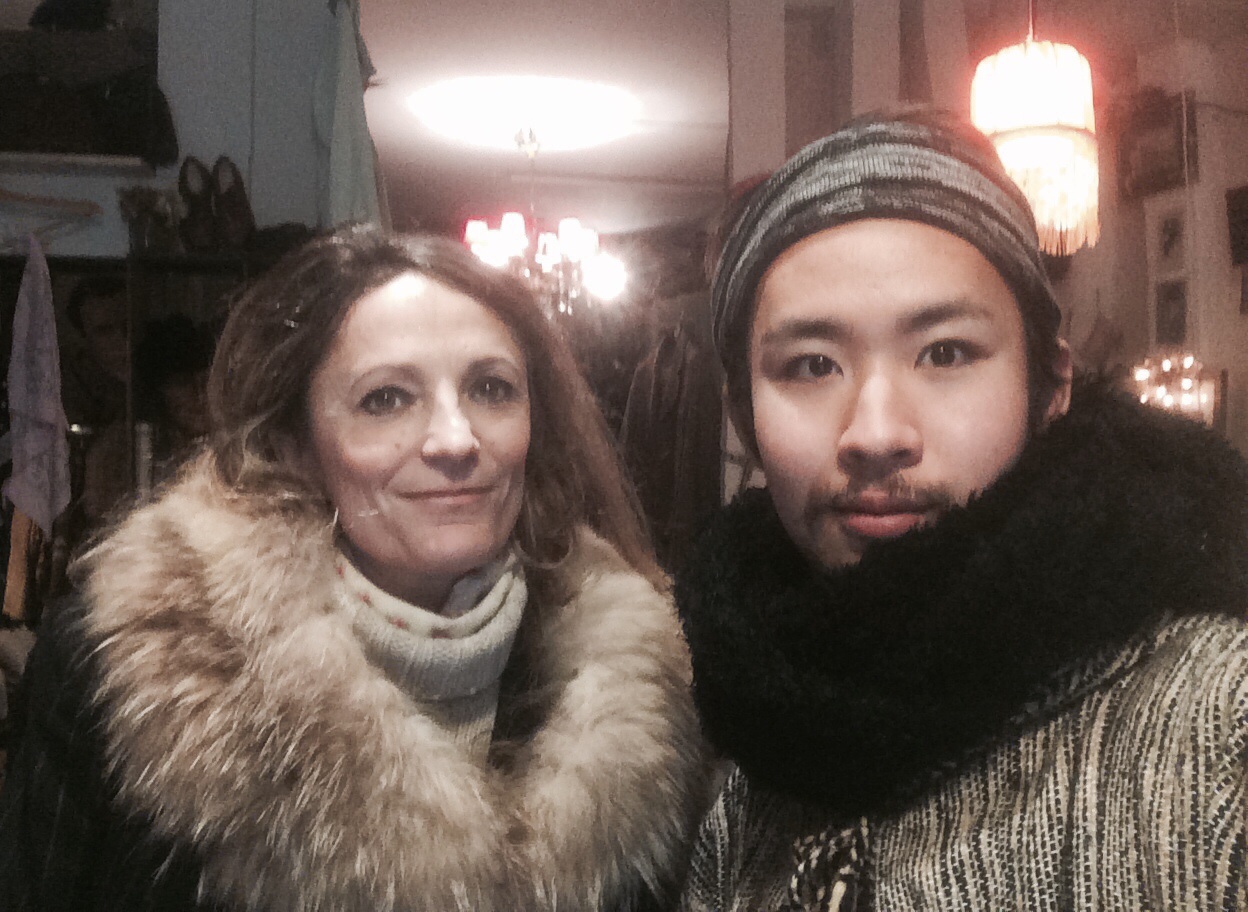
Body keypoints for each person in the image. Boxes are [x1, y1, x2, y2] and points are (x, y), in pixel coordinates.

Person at [0, 226, 707, 911]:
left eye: (492, 389)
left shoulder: (639, 693)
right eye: (386, 399)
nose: (456, 439)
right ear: (296, 445)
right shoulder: (136, 668)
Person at [677, 109, 1248, 911]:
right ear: (744, 415)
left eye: (945, 353)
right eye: (811, 365)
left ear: (1049, 387)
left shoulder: (1216, 728)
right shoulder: (744, 770)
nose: (876, 433)